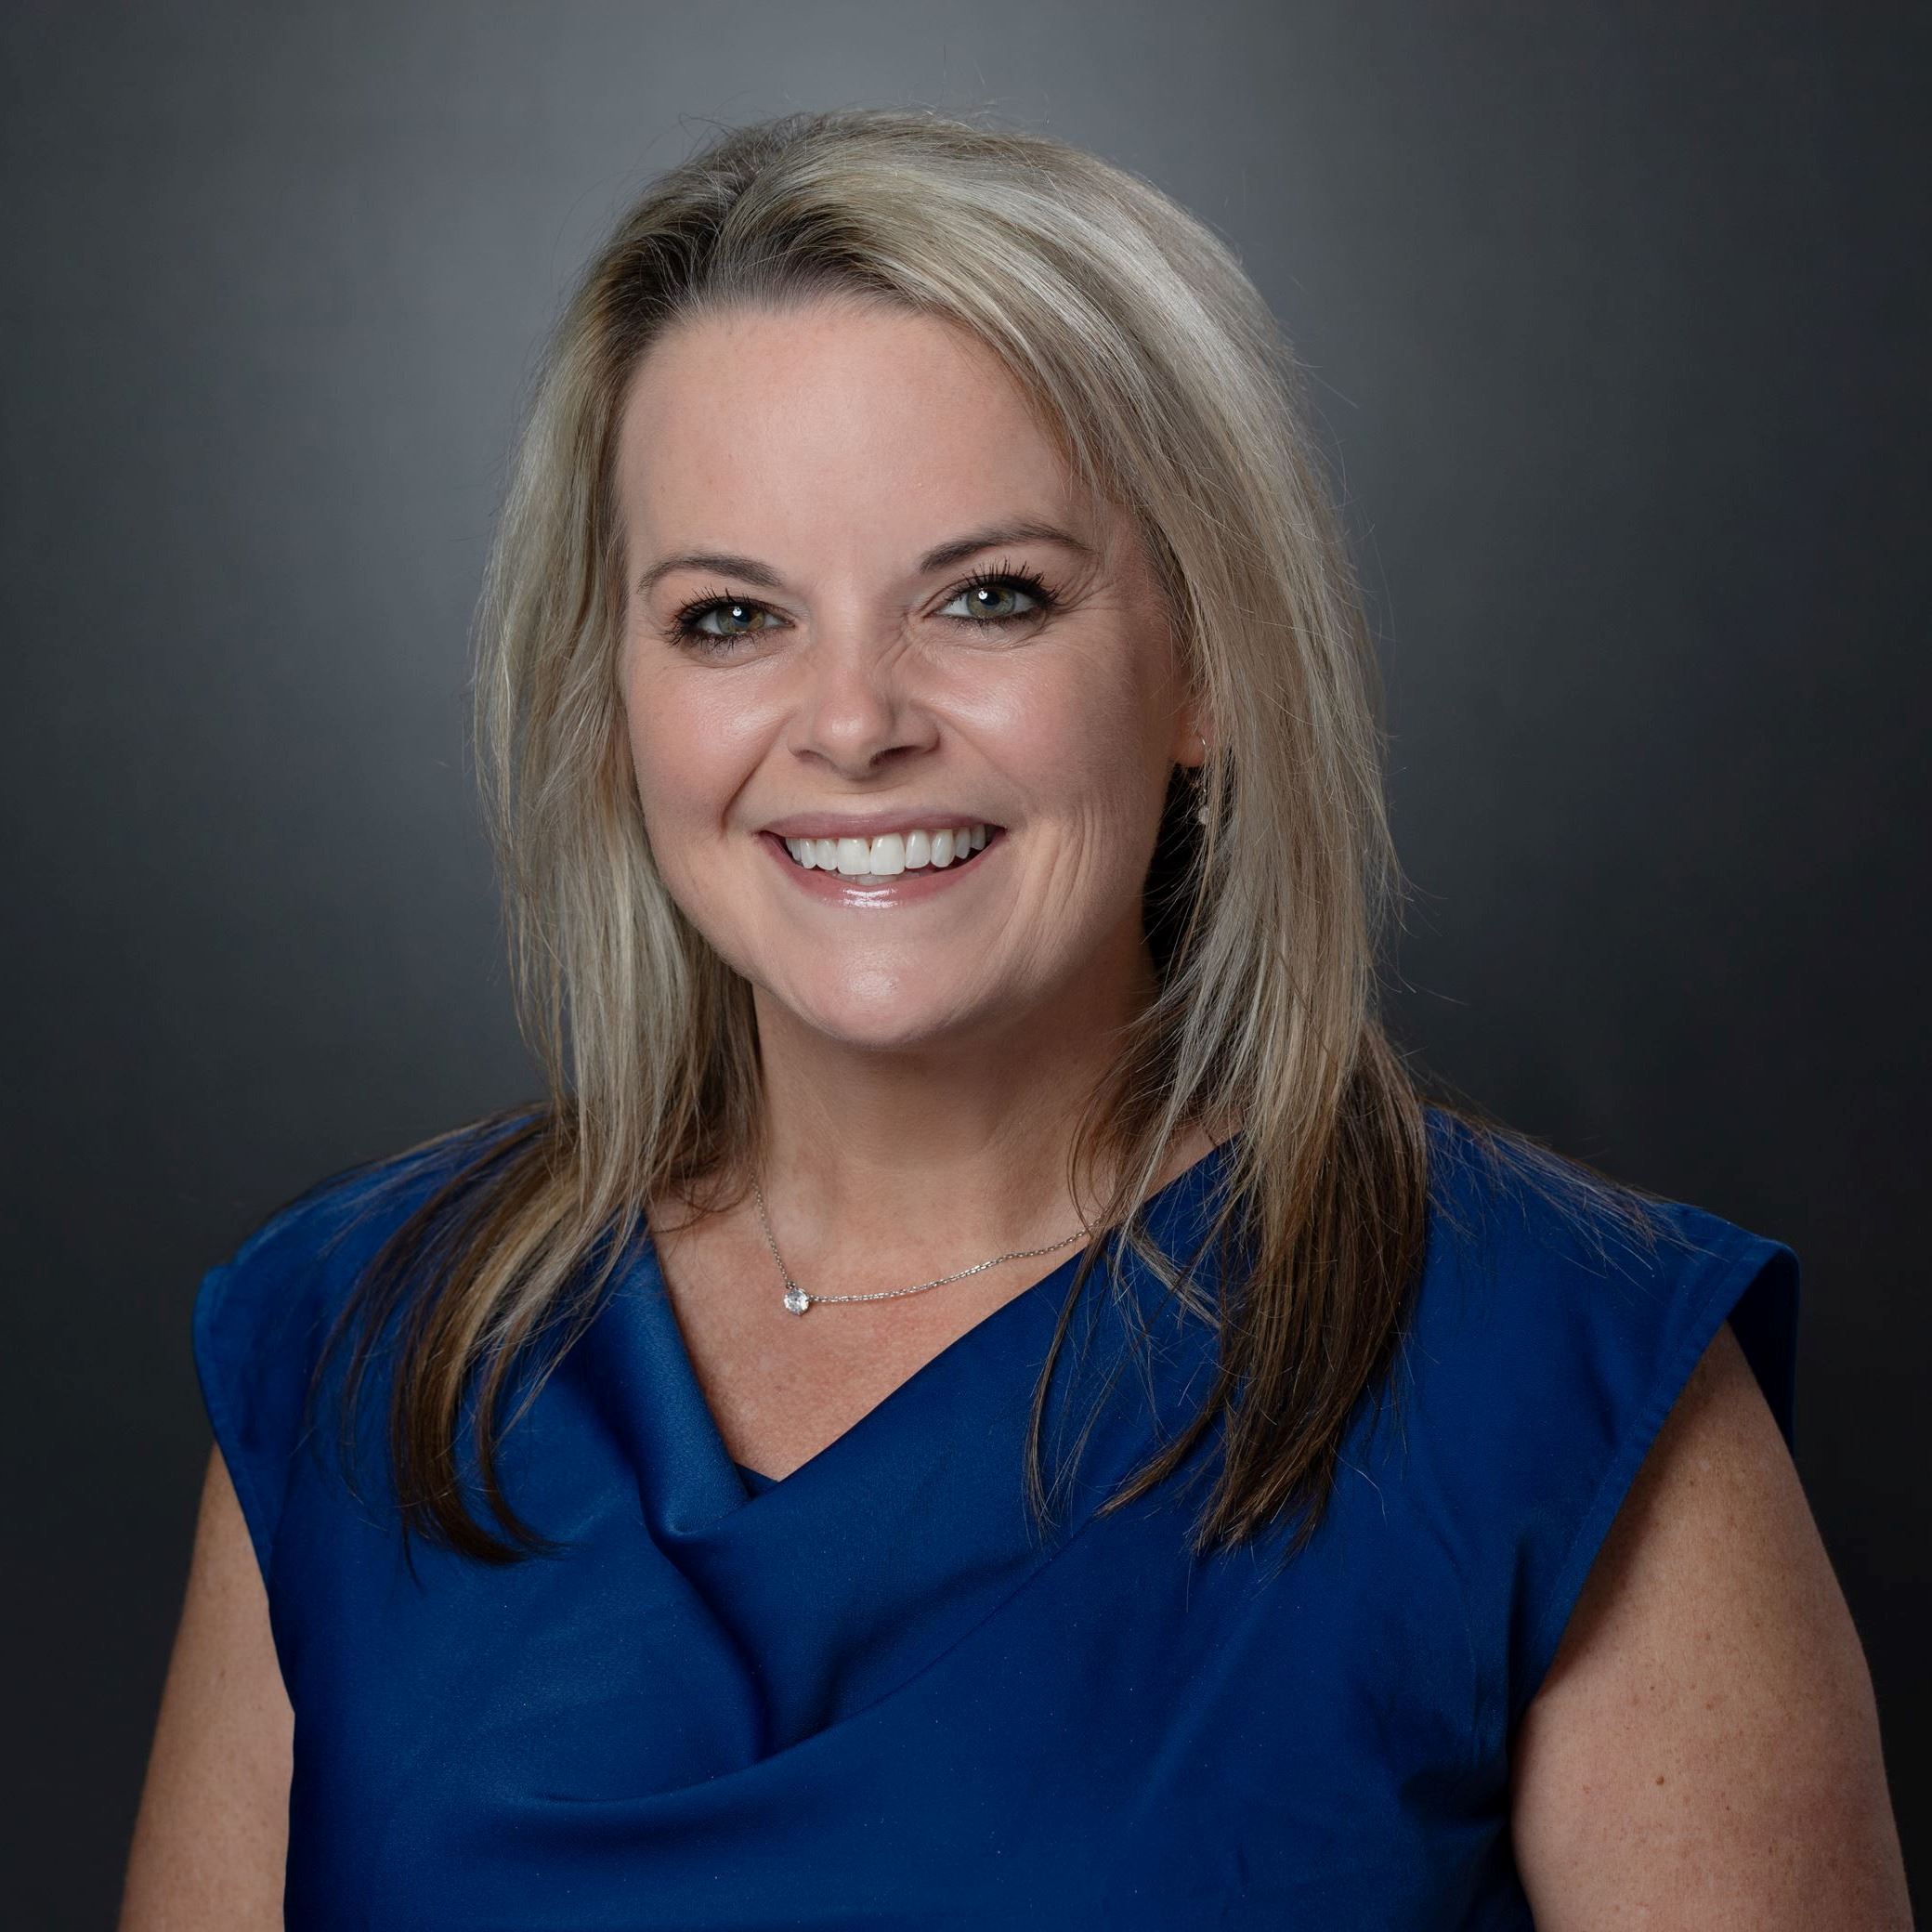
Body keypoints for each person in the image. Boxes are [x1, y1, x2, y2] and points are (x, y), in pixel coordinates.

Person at [121, 107, 1910, 1928]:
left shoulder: (1568, 1372)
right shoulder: (354, 1343)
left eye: (986, 596)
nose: (851, 719)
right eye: (729, 615)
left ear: (1201, 663)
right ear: (610, 705)